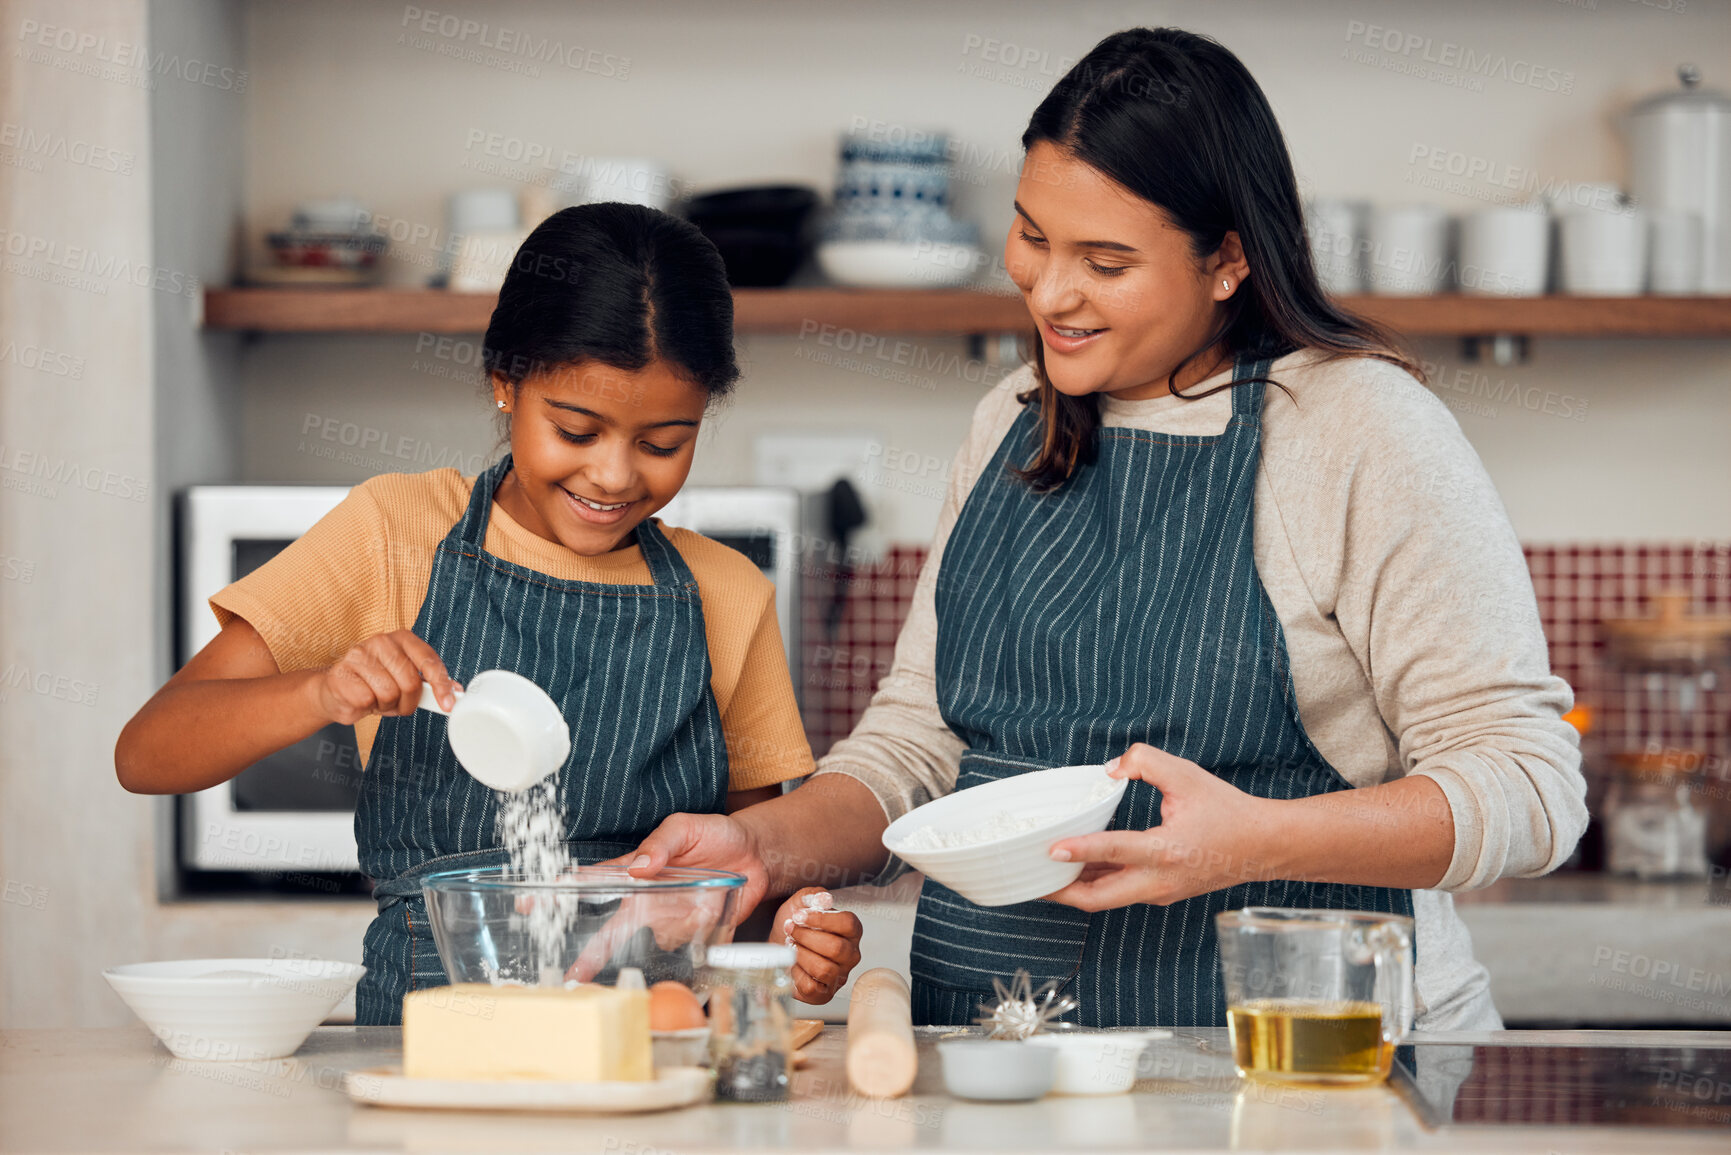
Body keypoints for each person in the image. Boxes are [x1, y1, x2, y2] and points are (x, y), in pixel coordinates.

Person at [609, 29, 1585, 1029]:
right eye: (1033, 236)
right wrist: (762, 849)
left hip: (1299, 1068)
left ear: (1228, 262)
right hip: (999, 1057)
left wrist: (1256, 841)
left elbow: (1529, 785)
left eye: (1105, 261)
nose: (1049, 293)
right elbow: (917, 744)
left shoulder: (1357, 429)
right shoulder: (1011, 419)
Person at [116, 204, 862, 1024]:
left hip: (653, 1050)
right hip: (427, 1040)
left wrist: (795, 930)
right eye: (575, 429)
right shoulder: (395, 533)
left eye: (661, 443)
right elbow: (148, 752)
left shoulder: (726, 591)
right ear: (505, 381)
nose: (613, 475)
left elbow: (747, 878)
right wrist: (321, 692)